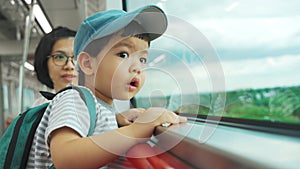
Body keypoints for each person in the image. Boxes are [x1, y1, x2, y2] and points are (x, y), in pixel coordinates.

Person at [27, 5, 187, 168]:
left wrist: (115, 120)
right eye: (123, 54)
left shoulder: (101, 108)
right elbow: (65, 158)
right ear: (88, 64)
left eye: (142, 59)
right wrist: (137, 130)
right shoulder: (74, 99)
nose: (137, 67)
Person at [32, 26, 77, 106]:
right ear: (45, 63)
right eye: (60, 57)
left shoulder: (101, 110)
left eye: (76, 57)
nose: (69, 66)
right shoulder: (37, 111)